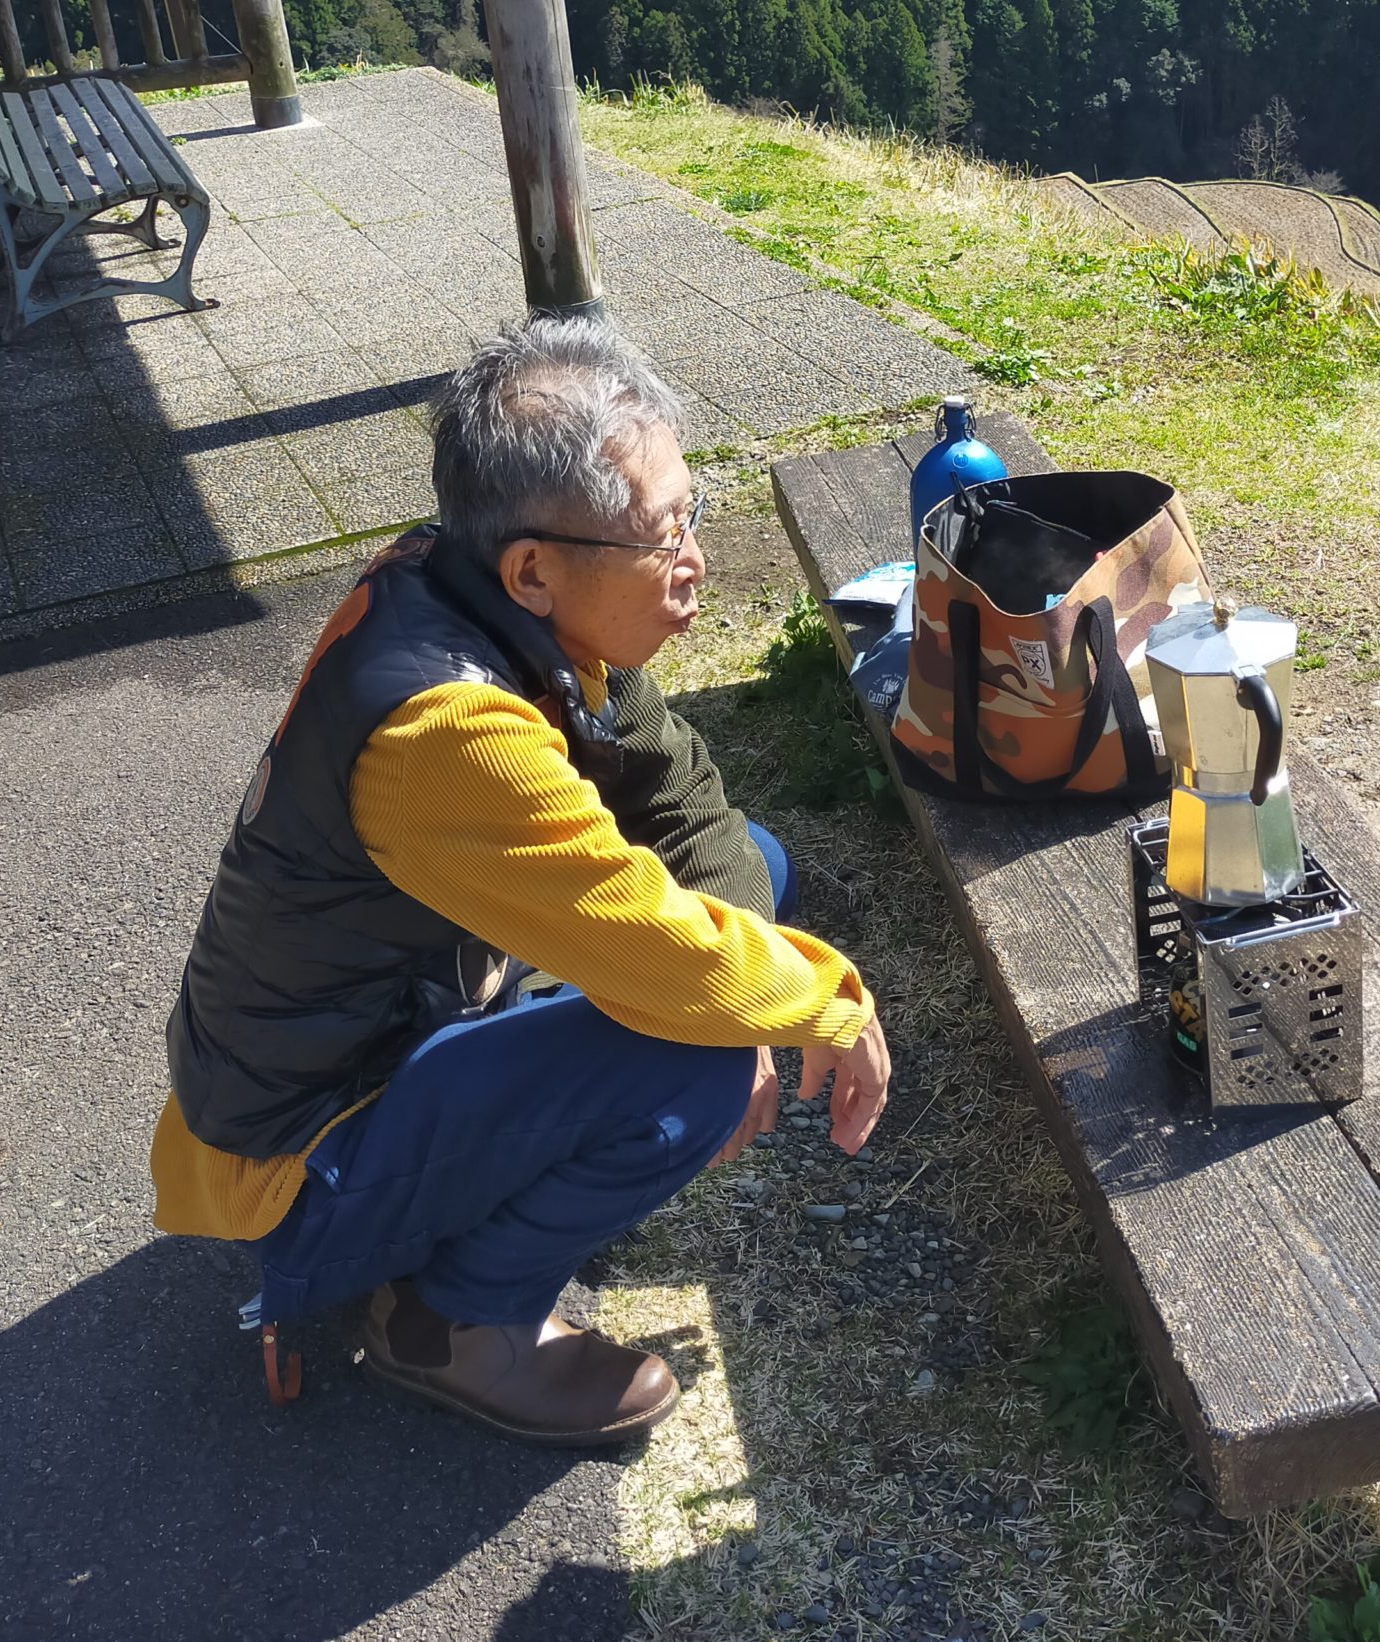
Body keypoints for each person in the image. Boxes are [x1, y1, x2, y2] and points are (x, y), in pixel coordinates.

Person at [150, 312, 892, 1447]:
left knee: (752, 876)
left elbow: (683, 799)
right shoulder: (447, 732)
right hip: (299, 1151)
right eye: (662, 535)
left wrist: (748, 1003)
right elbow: (658, 949)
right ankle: (449, 1321)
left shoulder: (478, 588)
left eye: (691, 510)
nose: (694, 558)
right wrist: (813, 1006)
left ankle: (497, 1194)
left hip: (402, 1018)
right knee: (689, 1065)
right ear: (534, 568)